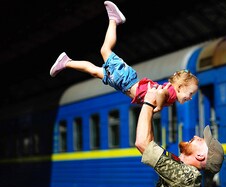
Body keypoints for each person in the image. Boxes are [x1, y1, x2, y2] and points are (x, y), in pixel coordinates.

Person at [49, 1, 199, 113]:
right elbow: (160, 92)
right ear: (179, 87)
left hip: (122, 84)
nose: (190, 97)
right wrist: (158, 106)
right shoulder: (171, 94)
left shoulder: (172, 96)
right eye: (190, 93)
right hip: (126, 79)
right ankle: (114, 20)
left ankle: (66, 62)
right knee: (104, 50)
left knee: (95, 71)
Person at [135, 83, 224, 187]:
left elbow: (142, 143)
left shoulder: (187, 176)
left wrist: (148, 102)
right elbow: (150, 144)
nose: (195, 136)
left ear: (200, 156)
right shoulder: (184, 171)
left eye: (200, 140)